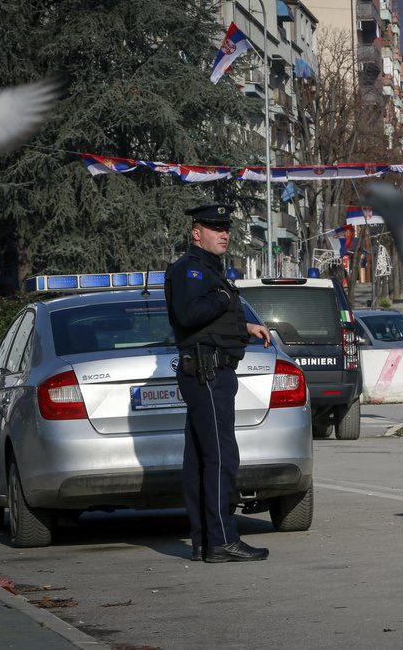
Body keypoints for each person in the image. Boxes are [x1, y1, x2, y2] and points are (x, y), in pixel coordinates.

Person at [165, 203, 272, 563]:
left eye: (225, 227)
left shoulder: (209, 270)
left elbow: (208, 320)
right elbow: (189, 314)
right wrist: (223, 297)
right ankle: (223, 539)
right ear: (197, 233)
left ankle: (204, 542)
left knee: (200, 459)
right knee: (222, 457)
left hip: (210, 371)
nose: (224, 234)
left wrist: (245, 327)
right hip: (208, 374)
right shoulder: (191, 270)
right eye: (215, 228)